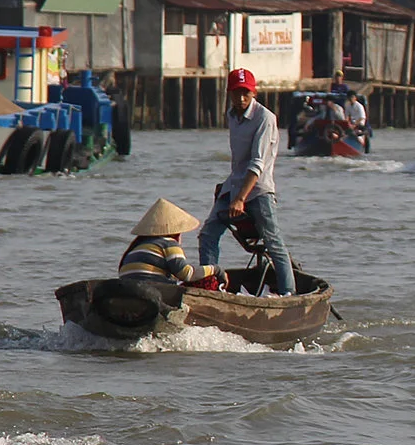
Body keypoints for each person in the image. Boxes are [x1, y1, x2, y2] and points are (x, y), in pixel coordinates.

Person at [197, 69, 293, 295]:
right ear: (229, 94)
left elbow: (257, 163)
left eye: (245, 93)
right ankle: (210, 287)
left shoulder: (265, 118)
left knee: (273, 242)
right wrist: (230, 190)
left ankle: (289, 293)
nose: (241, 99)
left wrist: (240, 198)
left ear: (253, 92)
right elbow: (238, 162)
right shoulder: (232, 115)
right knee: (208, 234)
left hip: (258, 189)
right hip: (234, 185)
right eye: (236, 93)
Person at [119, 198, 202, 284]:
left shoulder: (138, 245)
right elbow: (186, 274)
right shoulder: (168, 243)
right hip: (151, 286)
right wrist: (214, 269)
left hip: (127, 285)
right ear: (177, 234)